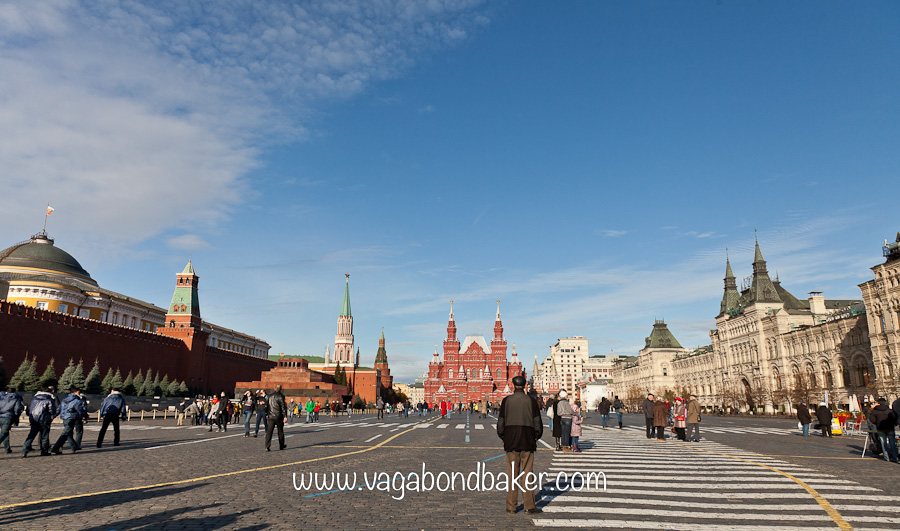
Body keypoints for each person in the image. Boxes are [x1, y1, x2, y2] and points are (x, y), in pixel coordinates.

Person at [496, 375, 543, 515]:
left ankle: (511, 506)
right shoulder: (531, 401)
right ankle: (529, 506)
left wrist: (505, 437)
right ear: (525, 385)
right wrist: (535, 437)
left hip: (511, 442)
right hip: (527, 441)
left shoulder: (506, 401)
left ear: (512, 385)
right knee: (527, 473)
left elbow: (500, 424)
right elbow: (537, 424)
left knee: (512, 475)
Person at [23, 386, 59, 457]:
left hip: (34, 419)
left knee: (31, 435)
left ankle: (24, 451)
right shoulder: (49, 400)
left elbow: (28, 409)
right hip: (44, 419)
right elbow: (52, 410)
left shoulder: (34, 399)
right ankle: (44, 451)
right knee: (44, 436)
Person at [51, 387, 88, 454]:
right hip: (72, 417)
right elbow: (79, 410)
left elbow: (59, 408)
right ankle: (56, 447)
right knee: (65, 433)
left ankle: (74, 446)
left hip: (65, 417)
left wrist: (54, 416)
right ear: (76, 392)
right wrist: (85, 415)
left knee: (68, 433)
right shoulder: (77, 401)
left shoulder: (64, 400)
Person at [867, 398, 898, 463]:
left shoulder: (875, 411)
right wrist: (893, 424)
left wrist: (877, 423)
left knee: (883, 443)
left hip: (880, 428)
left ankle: (886, 457)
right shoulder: (889, 411)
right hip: (890, 428)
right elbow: (895, 418)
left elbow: (872, 420)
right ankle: (895, 457)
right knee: (892, 443)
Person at [0, 387, 25, 454]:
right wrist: (16, 417)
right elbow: (17, 409)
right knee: (4, 433)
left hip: (1, 416)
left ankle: (7, 448)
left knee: (5, 433)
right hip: (8, 417)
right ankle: (7, 448)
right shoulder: (16, 399)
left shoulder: (2, 398)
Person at [265, 384, 287, 451]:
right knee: (280, 431)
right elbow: (283, 407)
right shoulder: (281, 396)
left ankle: (267, 446)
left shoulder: (269, 396)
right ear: (280, 389)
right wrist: (285, 416)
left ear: (274, 388)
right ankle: (281, 445)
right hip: (279, 416)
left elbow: (266, 406)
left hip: (271, 416)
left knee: (269, 432)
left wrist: (266, 414)